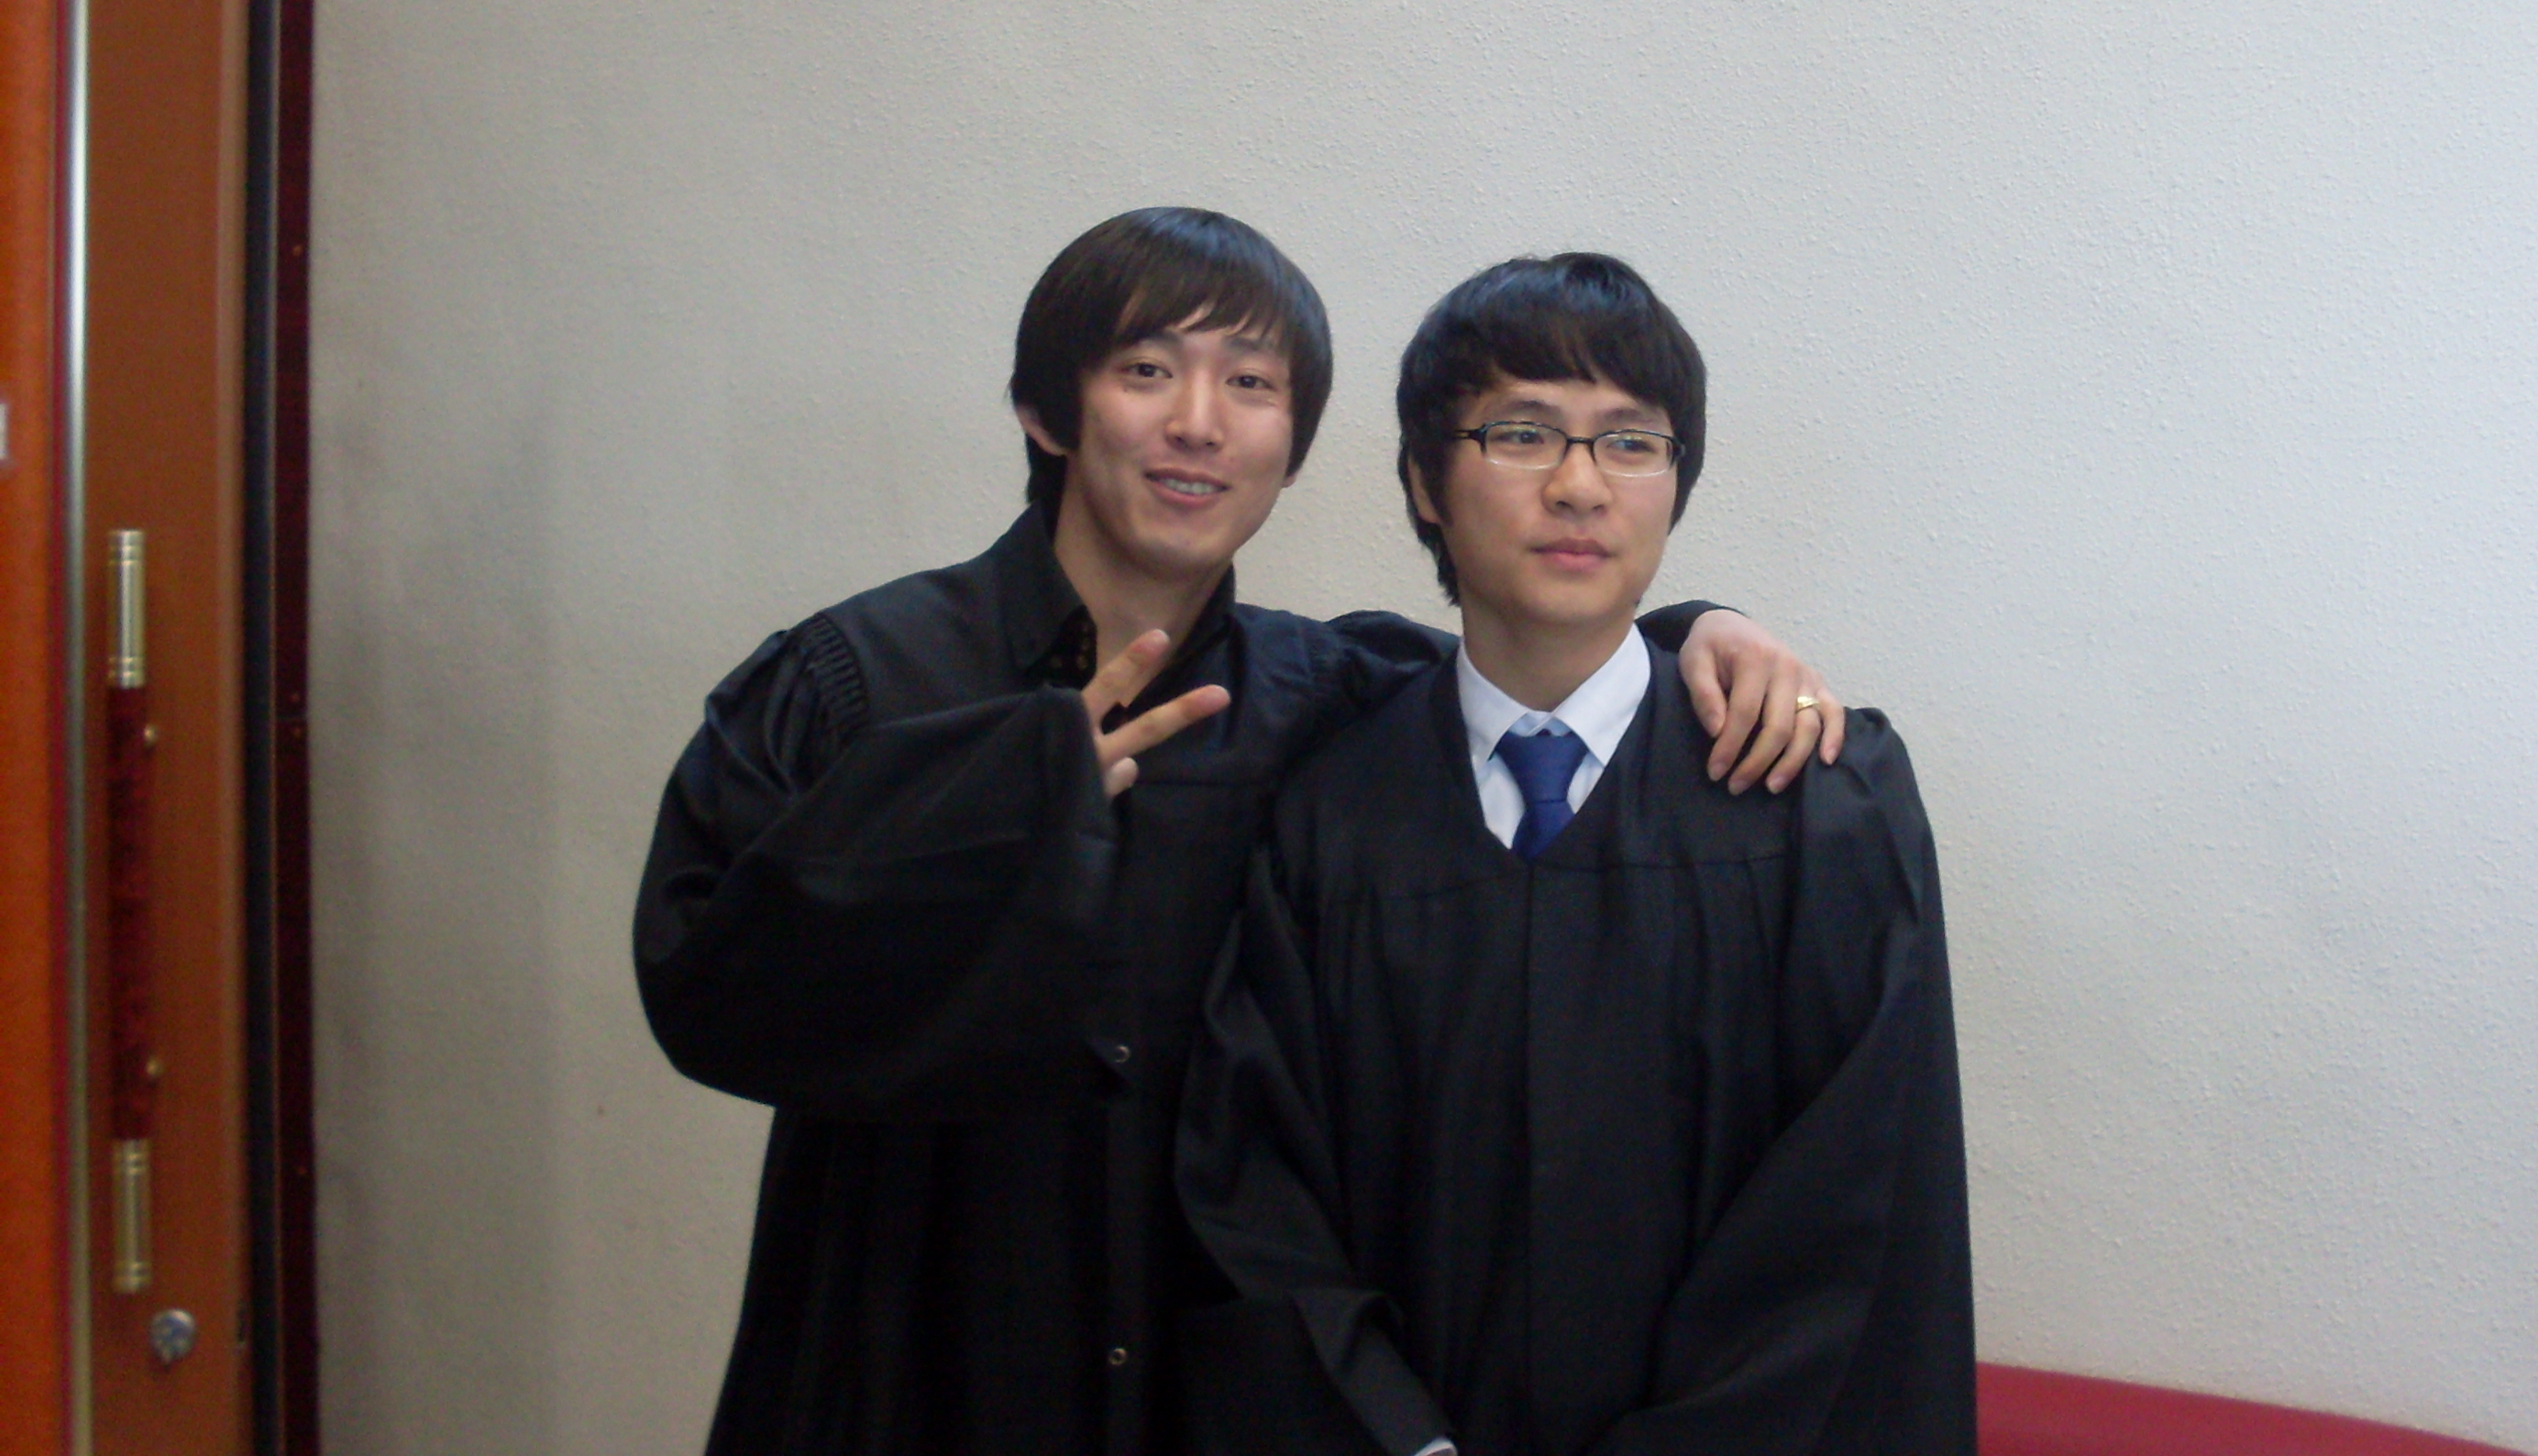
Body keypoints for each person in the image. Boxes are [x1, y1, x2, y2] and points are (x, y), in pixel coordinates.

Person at [634, 210, 1845, 1456]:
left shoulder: (1330, 700)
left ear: (1293, 447)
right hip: (907, 1371)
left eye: (1252, 385)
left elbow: (1535, 671)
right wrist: (994, 799)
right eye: (1146, 369)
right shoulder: (857, 683)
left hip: (1216, 1398)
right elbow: (702, 989)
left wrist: (1698, 630)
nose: (1200, 422)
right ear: (1048, 411)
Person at [1175, 253, 1973, 1456]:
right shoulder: (1329, 815)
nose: (1581, 486)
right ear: (1425, 482)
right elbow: (1257, 1195)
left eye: (1632, 442)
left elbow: (1854, 1220)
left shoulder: (1822, 807)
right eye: (1523, 433)